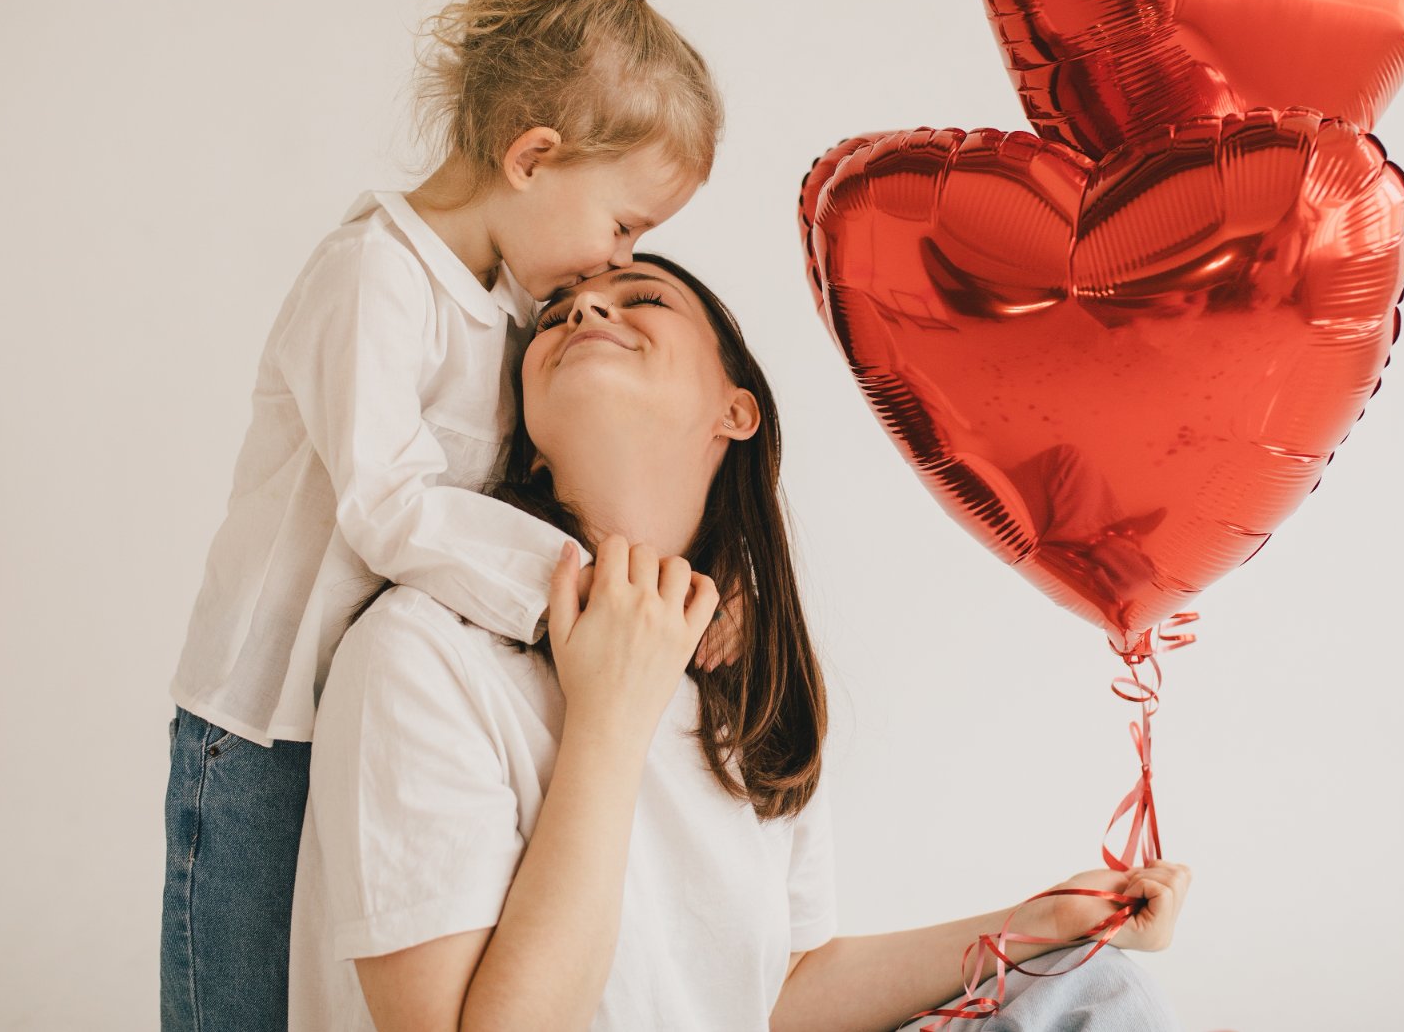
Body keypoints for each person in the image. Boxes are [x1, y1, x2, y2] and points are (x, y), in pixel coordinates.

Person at [289, 253, 1192, 1031]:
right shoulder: (421, 652)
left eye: (640, 299)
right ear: (529, 445)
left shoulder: (746, 687)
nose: (586, 310)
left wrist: (1041, 921)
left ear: (735, 410)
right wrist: (608, 719)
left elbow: (782, 990)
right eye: (556, 318)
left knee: (1096, 992)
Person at [160, 0, 748, 1031]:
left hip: (370, 699)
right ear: (531, 158)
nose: (617, 265)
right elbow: (385, 507)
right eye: (622, 223)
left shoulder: (510, 298)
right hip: (260, 716)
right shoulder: (373, 277)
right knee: (234, 1002)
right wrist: (585, 585)